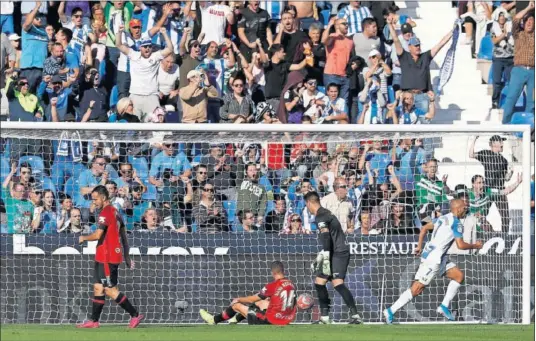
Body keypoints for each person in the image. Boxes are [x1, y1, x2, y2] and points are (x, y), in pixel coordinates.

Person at [384, 199, 484, 323]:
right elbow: (461, 245)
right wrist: (476, 246)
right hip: (433, 259)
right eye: (464, 208)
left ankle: (444, 306)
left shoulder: (443, 218)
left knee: (458, 276)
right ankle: (390, 310)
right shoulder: (457, 223)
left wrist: (419, 246)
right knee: (417, 288)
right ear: (458, 209)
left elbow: (425, 228)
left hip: (438, 256)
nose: (465, 210)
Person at [77, 185, 143, 328]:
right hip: (103, 256)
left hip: (108, 257)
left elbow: (97, 235)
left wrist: (83, 237)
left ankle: (135, 314)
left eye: (95, 199)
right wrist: (126, 256)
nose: (94, 202)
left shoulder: (105, 213)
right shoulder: (116, 213)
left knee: (110, 290)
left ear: (104, 198)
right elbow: (124, 237)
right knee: (98, 288)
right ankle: (94, 321)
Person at [304, 191, 362, 324]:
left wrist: (322, 257)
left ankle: (355, 316)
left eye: (306, 205)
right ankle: (325, 317)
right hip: (334, 251)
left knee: (337, 283)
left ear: (309, 203)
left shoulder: (321, 216)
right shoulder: (325, 213)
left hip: (338, 253)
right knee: (320, 282)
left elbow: (326, 238)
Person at [199, 261, 297, 326]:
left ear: (273, 272)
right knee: (262, 301)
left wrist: (238, 299)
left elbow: (251, 299)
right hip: (285, 320)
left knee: (236, 306)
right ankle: (234, 320)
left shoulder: (272, 285)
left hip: (268, 321)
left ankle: (213, 320)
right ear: (283, 270)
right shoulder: (291, 284)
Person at [116, 26, 174, 121]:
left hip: (152, 96)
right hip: (135, 96)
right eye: (144, 46)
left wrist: (164, 34)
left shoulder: (156, 56)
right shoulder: (133, 54)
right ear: (140, 47)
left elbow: (170, 49)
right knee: (134, 125)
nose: (147, 49)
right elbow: (118, 45)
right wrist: (119, 32)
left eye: (149, 46)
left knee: (156, 125)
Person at [469, 135, 512, 232]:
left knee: (505, 216)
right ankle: (480, 233)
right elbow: (471, 155)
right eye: (500, 141)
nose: (502, 144)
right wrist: (474, 139)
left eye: (502, 142)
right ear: (493, 144)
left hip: (500, 191)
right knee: (481, 213)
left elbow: (506, 178)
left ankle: (504, 236)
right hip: (487, 191)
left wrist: (511, 173)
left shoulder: (504, 160)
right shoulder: (486, 154)